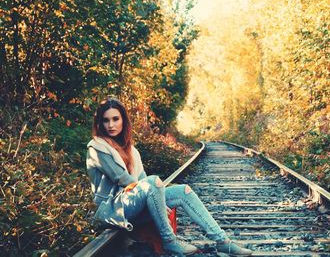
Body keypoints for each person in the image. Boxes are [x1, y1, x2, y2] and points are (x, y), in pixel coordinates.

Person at [86, 97, 253, 256]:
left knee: (183, 191)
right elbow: (121, 178)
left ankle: (222, 240)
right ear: (99, 123)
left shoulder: (130, 149)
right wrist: (155, 193)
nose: (111, 124)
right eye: (106, 120)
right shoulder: (97, 147)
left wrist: (157, 197)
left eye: (115, 119)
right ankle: (169, 240)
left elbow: (142, 177)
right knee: (153, 181)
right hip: (111, 209)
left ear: (123, 120)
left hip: (132, 203)